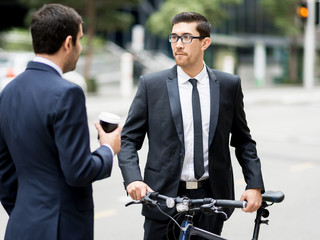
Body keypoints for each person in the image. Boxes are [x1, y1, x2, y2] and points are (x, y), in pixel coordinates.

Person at [118, 12, 264, 239]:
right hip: (162, 198)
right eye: (174, 37)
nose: (178, 44)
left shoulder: (228, 85)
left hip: (211, 200)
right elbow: (128, 139)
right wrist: (133, 179)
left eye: (186, 37)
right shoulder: (151, 85)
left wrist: (254, 184)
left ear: (205, 43)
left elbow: (243, 140)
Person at [0, 4, 121, 240]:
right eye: (80, 39)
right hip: (61, 229)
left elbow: (4, 172)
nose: (80, 47)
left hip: (21, 226)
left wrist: (28, 214)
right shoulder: (68, 93)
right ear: (68, 43)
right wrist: (108, 148)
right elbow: (78, 170)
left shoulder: (8, 91)